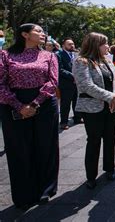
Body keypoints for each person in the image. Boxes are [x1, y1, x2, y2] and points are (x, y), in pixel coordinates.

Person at [0, 23, 59, 209]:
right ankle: (24, 193)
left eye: (43, 31)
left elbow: (52, 81)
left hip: (44, 103)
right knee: (19, 149)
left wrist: (34, 104)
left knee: (46, 146)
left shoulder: (49, 56)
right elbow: (1, 84)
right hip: (13, 104)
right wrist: (19, 105)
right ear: (25, 34)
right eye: (38, 31)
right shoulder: (6, 55)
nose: (43, 34)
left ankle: (46, 189)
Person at [72, 33, 115, 189]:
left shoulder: (107, 60)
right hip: (92, 108)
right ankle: (91, 176)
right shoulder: (82, 62)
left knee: (110, 139)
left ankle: (109, 168)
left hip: (110, 107)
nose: (108, 47)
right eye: (104, 44)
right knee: (94, 141)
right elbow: (86, 85)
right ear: (95, 44)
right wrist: (110, 96)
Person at [57, 37, 81, 129]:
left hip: (76, 83)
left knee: (77, 101)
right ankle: (64, 122)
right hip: (66, 83)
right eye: (69, 44)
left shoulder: (75, 54)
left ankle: (77, 118)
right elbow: (60, 69)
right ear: (63, 46)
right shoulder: (59, 54)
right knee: (65, 104)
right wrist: (73, 76)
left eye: (73, 44)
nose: (72, 46)